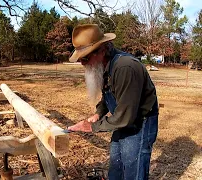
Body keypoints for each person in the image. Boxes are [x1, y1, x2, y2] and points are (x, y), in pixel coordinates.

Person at [67, 24, 158, 180]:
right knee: (116, 169)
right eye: (80, 59)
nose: (82, 63)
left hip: (139, 123)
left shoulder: (125, 68)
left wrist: (92, 126)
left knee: (132, 170)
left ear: (102, 50)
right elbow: (110, 94)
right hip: (121, 120)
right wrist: (99, 113)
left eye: (85, 57)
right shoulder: (104, 65)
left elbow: (126, 116)